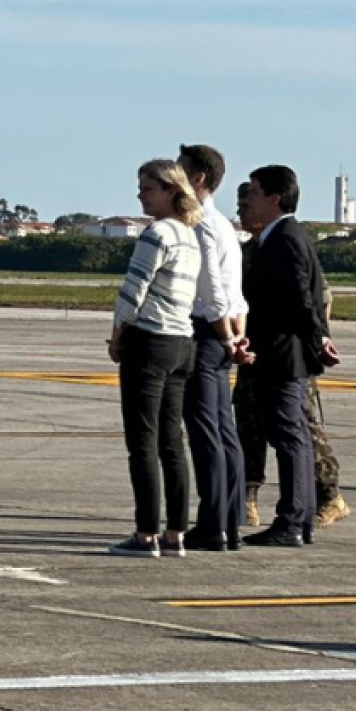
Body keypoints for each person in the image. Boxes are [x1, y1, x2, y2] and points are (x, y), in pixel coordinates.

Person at [236, 179, 349, 530]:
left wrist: (316, 342)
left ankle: (326, 496)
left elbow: (316, 300)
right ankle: (248, 495)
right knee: (248, 425)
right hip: (256, 353)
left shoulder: (286, 242)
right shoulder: (250, 249)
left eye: (248, 203)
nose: (243, 211)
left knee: (301, 429)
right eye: (239, 207)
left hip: (288, 355)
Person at [106, 159, 204, 558]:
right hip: (182, 342)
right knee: (171, 442)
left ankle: (146, 533)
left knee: (142, 442)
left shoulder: (157, 233)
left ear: (169, 190)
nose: (141, 195)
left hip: (149, 340)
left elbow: (134, 290)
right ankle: (176, 532)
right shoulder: (189, 235)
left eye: (147, 189)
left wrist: (117, 334)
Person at [177, 144, 248, 551]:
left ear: (199, 177)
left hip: (206, 335)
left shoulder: (202, 224)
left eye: (181, 168)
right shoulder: (222, 224)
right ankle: (229, 521)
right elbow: (237, 297)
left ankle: (213, 524)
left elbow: (216, 295)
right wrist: (238, 337)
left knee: (207, 437)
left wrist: (224, 336)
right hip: (224, 336)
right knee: (224, 432)